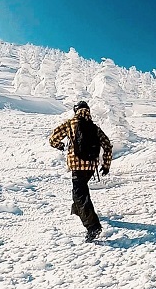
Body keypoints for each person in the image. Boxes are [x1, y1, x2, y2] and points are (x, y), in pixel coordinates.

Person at [49, 100, 112, 242]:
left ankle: (93, 226)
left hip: (76, 166)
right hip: (91, 167)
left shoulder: (70, 123)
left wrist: (59, 146)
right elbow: (107, 145)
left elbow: (53, 139)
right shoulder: (94, 127)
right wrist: (106, 164)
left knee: (81, 196)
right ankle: (79, 211)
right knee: (78, 192)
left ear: (75, 110)